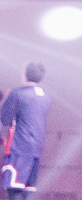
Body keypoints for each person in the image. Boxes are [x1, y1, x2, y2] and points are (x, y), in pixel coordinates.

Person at [1, 63, 51, 200]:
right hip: (36, 151)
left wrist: (7, 98)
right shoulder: (46, 98)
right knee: (25, 194)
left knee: (14, 192)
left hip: (19, 149)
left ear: (25, 75)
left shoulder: (18, 94)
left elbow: (4, 118)